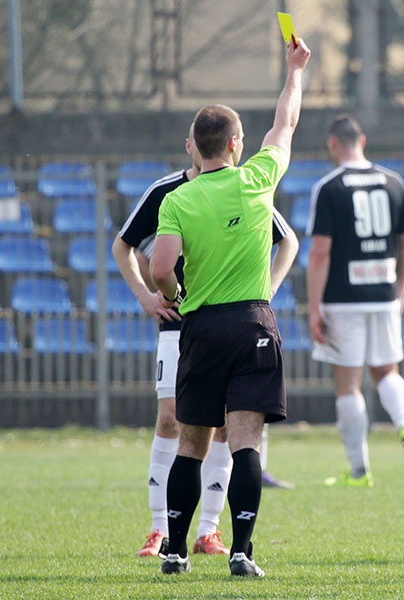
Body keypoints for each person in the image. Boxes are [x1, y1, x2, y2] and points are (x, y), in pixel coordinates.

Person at [149, 36, 311, 577]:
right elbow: (284, 125)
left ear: (194, 146)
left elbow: (159, 267)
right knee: (245, 440)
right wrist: (295, 71)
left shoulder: (178, 199)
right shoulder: (258, 179)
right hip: (252, 323)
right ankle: (241, 550)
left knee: (191, 442)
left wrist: (173, 296)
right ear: (237, 144)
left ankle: (173, 549)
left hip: (202, 326)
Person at [115, 131, 297, 559]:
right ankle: (159, 528)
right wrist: (145, 297)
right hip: (181, 321)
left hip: (212, 321)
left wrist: (269, 286)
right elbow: (123, 246)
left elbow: (287, 239)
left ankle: (209, 530)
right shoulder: (168, 191)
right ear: (190, 145)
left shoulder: (244, 188)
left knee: (219, 428)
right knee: (171, 420)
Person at [306, 114, 404, 487]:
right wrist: (400, 291)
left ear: (333, 144)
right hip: (384, 293)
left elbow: (320, 254)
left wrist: (314, 308)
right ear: (363, 139)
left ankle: (359, 470)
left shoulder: (329, 187)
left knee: (348, 384)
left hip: (343, 298)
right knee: (386, 372)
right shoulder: (393, 182)